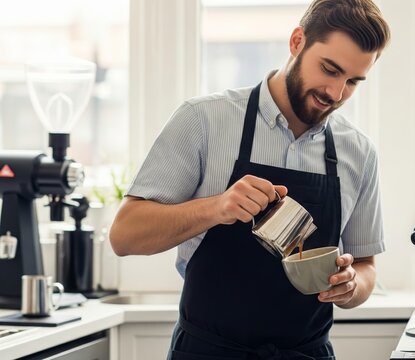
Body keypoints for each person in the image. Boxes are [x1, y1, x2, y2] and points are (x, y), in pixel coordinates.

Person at [109, 0, 390, 358]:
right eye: (330, 69)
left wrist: (352, 286)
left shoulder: (360, 153)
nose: (335, 94)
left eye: (353, 82)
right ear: (297, 41)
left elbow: (366, 267)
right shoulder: (204, 120)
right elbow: (124, 235)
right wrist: (216, 207)